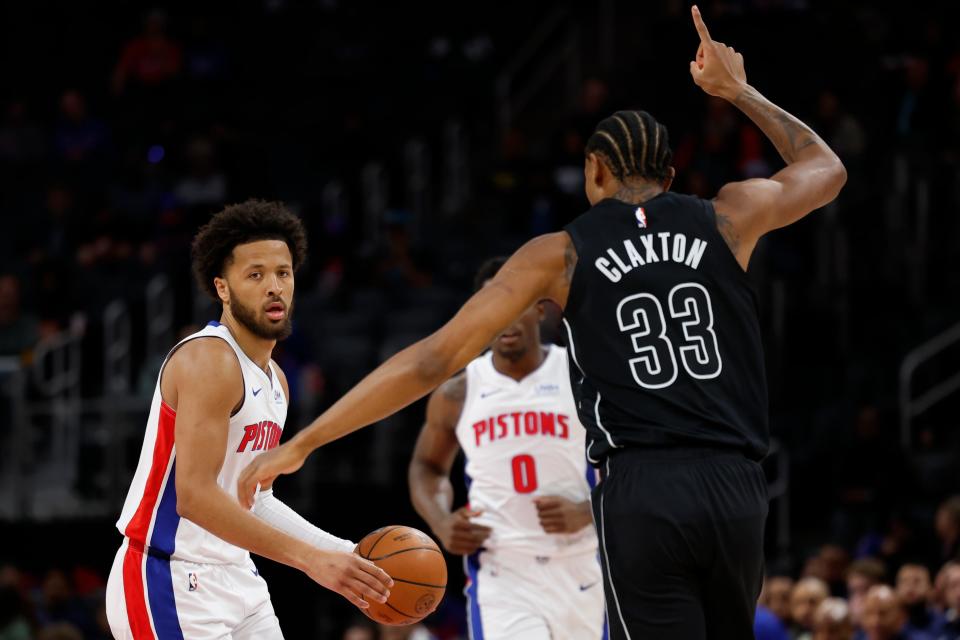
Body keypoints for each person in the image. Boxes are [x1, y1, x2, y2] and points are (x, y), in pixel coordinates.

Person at [238, 7, 846, 639]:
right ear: (670, 176)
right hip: (737, 483)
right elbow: (828, 169)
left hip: (641, 486)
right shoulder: (731, 215)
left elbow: (430, 361)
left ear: (595, 173)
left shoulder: (560, 253)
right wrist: (737, 91)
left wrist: (305, 441)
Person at [104, 200, 391, 639]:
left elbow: (253, 498)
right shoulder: (209, 359)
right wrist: (310, 559)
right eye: (255, 275)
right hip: (168, 575)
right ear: (222, 287)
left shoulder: (276, 380)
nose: (274, 286)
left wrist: (345, 555)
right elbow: (195, 497)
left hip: (237, 575)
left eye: (283, 273)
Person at [408, 257, 604, 639]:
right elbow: (426, 466)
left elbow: (635, 462)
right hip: (502, 571)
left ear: (539, 306)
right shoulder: (458, 391)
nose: (502, 318)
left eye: (512, 303)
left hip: (584, 563)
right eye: (492, 308)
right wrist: (441, 521)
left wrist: (590, 510)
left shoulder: (582, 376)